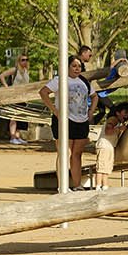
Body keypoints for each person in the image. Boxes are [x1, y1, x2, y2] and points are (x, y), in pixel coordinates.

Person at [40, 55, 91, 189]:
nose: (77, 69)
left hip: (81, 120)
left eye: (79, 66)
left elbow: (94, 96)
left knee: (77, 154)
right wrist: (55, 110)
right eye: (74, 66)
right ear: (67, 67)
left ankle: (77, 184)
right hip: (64, 119)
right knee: (64, 152)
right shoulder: (59, 80)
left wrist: (90, 112)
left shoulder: (84, 81)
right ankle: (62, 185)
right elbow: (44, 92)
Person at [90, 101, 128, 189]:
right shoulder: (113, 120)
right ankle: (98, 185)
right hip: (105, 145)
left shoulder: (117, 121)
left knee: (106, 168)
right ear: (118, 113)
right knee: (101, 168)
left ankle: (104, 185)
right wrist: (119, 129)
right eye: (125, 113)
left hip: (109, 146)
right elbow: (108, 131)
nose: (126, 115)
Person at [1, 50, 34, 144]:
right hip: (14, 96)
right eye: (23, 60)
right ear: (19, 61)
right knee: (13, 116)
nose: (25, 62)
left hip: (23, 97)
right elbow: (2, 76)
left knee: (21, 116)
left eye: (27, 60)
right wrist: (7, 88)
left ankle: (17, 136)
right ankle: (12, 137)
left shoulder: (26, 71)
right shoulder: (14, 70)